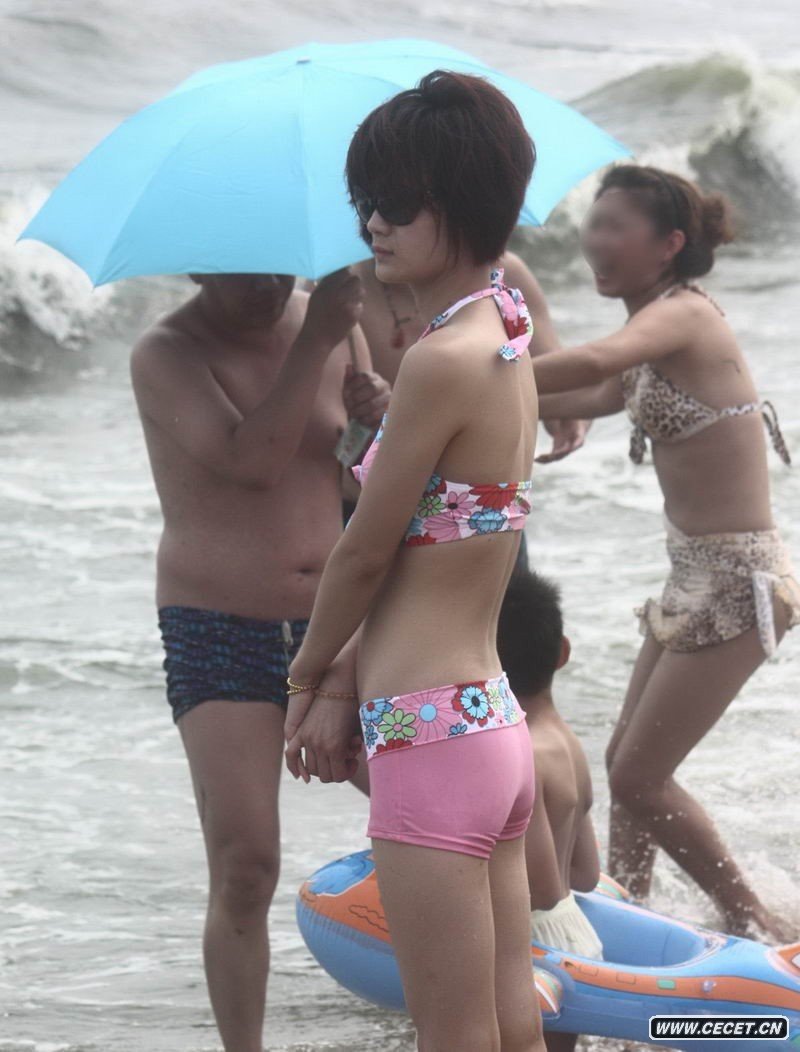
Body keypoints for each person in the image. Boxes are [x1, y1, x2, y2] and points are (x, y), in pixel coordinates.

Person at [283, 71, 545, 1052]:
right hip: (488, 719)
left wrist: (306, 676)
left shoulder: (438, 359)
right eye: (366, 200)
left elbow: (362, 552)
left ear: (461, 201)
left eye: (397, 202)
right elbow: (433, 550)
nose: (373, 224)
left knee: (453, 1035)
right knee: (511, 1023)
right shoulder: (502, 330)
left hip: (427, 735)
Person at [533, 164, 800, 939]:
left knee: (637, 777)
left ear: (669, 244)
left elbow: (592, 363)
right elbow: (575, 394)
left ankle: (757, 925)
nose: (595, 238)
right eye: (594, 222)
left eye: (615, 225)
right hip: (694, 580)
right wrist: (419, 394)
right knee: (626, 765)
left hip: (739, 582)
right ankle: (634, 916)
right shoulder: (652, 335)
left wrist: (460, 371)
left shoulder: (683, 316)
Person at [130, 270, 389, 1052]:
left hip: (334, 621)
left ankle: (458, 990)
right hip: (218, 624)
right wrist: (316, 342)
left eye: (279, 266)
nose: (269, 285)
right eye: (245, 270)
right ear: (198, 265)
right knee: (246, 862)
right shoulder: (167, 353)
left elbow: (348, 480)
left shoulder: (334, 319)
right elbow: (252, 462)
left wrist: (372, 426)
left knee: (429, 813)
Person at [353, 250, 589, 465]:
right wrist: (366, 407)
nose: (377, 225)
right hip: (383, 474)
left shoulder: (501, 272)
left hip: (481, 482)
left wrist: (571, 416)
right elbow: (336, 433)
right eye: (366, 217)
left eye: (401, 219)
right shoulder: (348, 292)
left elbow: (564, 387)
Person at [498, 568, 602, 1052]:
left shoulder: (522, 753)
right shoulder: (567, 743)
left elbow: (539, 889)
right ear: (563, 652)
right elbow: (585, 875)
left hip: (536, 948)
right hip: (573, 933)